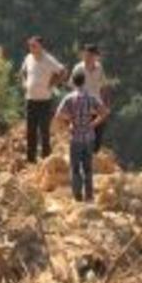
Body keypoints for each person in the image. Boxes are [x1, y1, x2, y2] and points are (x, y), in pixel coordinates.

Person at [54, 70, 108, 202]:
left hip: (75, 138)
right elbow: (104, 112)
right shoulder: (91, 97)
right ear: (84, 81)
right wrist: (93, 124)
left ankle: (77, 196)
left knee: (75, 168)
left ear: (73, 82)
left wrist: (70, 121)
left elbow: (58, 115)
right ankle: (89, 195)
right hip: (89, 137)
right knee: (88, 168)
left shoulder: (69, 98)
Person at [20, 36, 67, 163]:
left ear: (41, 46)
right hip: (30, 99)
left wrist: (53, 83)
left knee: (44, 130)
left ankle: (46, 158)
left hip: (45, 100)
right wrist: (24, 83)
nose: (31, 48)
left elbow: (63, 71)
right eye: (30, 45)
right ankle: (31, 159)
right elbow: (23, 72)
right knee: (30, 130)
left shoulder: (48, 59)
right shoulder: (28, 58)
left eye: (34, 45)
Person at [71, 44, 110, 153]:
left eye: (91, 56)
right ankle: (84, 161)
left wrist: (106, 105)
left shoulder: (99, 68)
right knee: (83, 136)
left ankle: (93, 157)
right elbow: (72, 88)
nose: (88, 58)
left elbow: (104, 86)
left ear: (96, 57)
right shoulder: (78, 68)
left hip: (97, 107)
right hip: (82, 107)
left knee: (98, 135)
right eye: (86, 55)